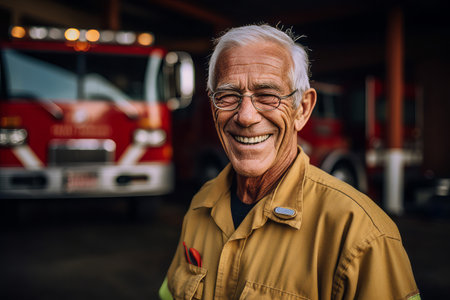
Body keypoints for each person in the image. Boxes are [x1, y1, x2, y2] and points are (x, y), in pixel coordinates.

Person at [160, 24, 420, 300]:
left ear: (303, 110)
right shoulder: (201, 205)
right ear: (214, 109)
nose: (246, 116)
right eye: (228, 96)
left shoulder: (361, 235)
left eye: (268, 95)